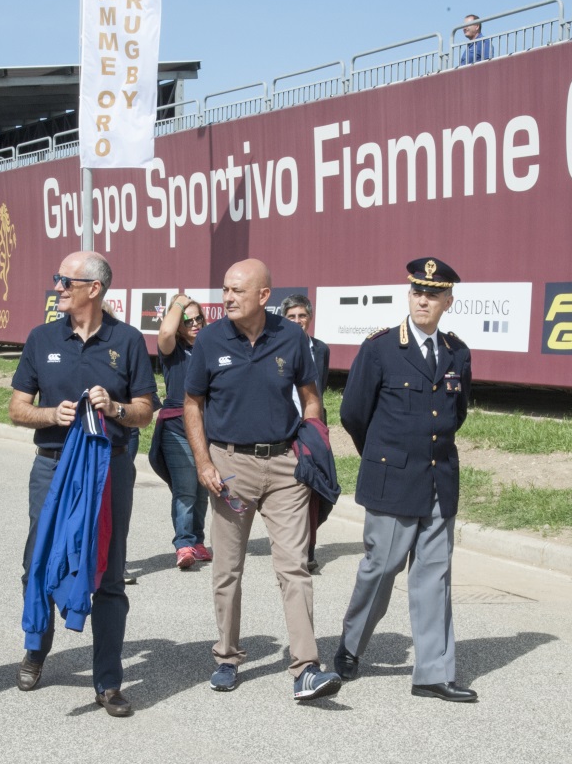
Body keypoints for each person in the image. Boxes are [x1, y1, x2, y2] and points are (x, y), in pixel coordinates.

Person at [184, 258, 343, 701]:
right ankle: (227, 657)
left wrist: (310, 446)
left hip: (285, 468)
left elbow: (311, 399)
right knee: (227, 569)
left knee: (294, 566)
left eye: (236, 291)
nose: (227, 298)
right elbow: (192, 403)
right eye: (225, 290)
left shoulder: (292, 337)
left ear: (263, 296)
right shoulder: (210, 339)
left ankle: (306, 667)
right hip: (230, 468)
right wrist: (204, 463)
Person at [9, 251, 157, 718]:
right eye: (58, 280)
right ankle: (37, 649)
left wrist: (114, 408)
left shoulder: (128, 341)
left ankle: (108, 682)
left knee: (109, 574)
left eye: (65, 281)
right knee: (40, 561)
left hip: (108, 468)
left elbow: (145, 411)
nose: (57, 288)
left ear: (93, 288)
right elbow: (16, 408)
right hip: (51, 467)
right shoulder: (41, 338)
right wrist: (51, 414)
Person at [334, 257, 479, 703]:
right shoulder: (379, 349)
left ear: (448, 302)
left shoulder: (457, 352)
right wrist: (383, 459)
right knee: (380, 570)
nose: (423, 299)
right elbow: (354, 414)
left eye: (433, 294)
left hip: (439, 481)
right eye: (417, 291)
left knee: (434, 577)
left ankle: (433, 673)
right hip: (393, 480)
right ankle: (351, 645)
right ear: (408, 295)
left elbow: (457, 413)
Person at [155, 294, 212, 569]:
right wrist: (179, 302)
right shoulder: (172, 350)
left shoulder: (210, 348)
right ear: (178, 324)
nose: (194, 324)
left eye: (198, 318)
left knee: (204, 489)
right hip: (177, 426)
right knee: (186, 489)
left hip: (206, 426)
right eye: (187, 320)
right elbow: (165, 331)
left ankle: (198, 540)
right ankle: (184, 544)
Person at [280, 294, 330, 571]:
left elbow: (317, 392)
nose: (298, 321)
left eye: (302, 316)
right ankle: (292, 547)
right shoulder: (275, 348)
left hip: (311, 427)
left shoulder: (321, 349)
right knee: (290, 491)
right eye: (292, 317)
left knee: (314, 489)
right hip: (283, 429)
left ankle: (308, 550)